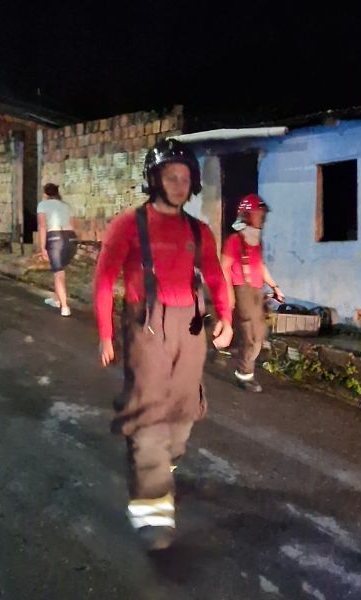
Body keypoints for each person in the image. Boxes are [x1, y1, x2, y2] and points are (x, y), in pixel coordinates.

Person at [94, 138, 233, 552]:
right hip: (147, 325)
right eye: (170, 176)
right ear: (154, 179)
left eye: (184, 178)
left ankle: (156, 459)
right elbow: (104, 280)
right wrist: (105, 331)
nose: (178, 183)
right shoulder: (127, 224)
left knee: (184, 408)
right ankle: (152, 506)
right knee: (151, 408)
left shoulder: (198, 230)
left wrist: (224, 316)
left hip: (190, 326)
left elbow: (213, 274)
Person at [221, 194, 284, 392]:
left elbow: (260, 266)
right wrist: (228, 294)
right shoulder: (234, 240)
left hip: (257, 292)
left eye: (262, 214)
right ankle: (245, 375)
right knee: (250, 334)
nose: (262, 218)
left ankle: (243, 365)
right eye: (258, 214)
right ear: (247, 215)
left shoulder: (257, 242)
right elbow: (224, 268)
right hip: (243, 291)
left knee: (259, 334)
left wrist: (274, 286)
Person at [38, 183, 77, 317]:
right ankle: (56, 299)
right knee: (61, 270)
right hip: (71, 239)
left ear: (45, 193)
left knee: (58, 273)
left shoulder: (42, 205)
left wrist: (42, 247)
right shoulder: (66, 206)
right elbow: (72, 225)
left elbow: (42, 226)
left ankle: (64, 306)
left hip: (55, 238)